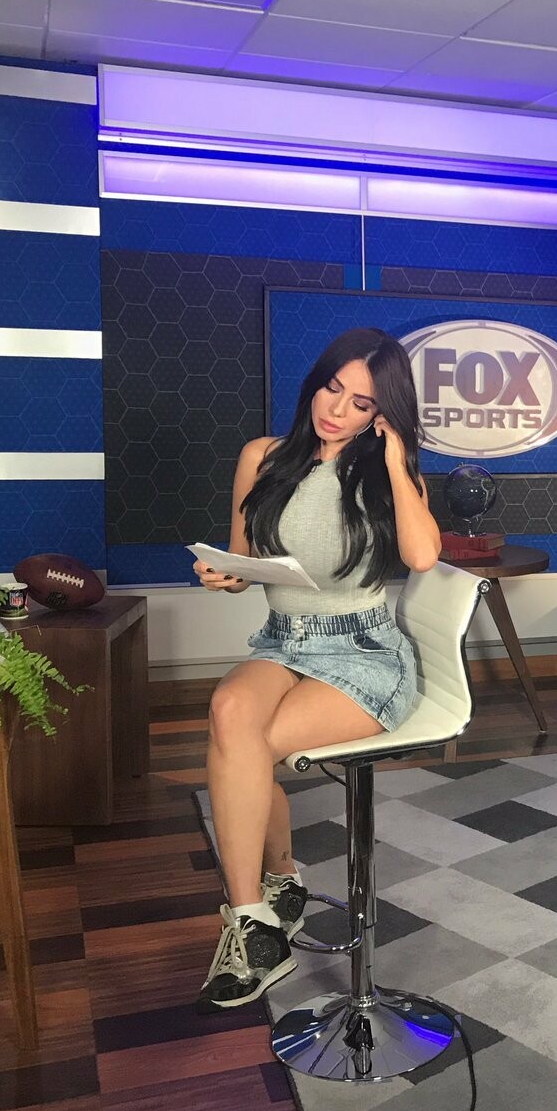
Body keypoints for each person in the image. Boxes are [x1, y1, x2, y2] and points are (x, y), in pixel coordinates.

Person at [191, 327, 441, 1012]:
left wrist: (397, 459)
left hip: (362, 650)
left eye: (362, 403)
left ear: (381, 414)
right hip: (283, 639)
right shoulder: (262, 457)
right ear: (315, 383)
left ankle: (271, 897)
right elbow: (245, 560)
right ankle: (258, 910)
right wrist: (227, 575)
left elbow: (422, 556)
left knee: (247, 747)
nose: (337, 409)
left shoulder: (385, 472)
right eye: (333, 388)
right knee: (229, 713)